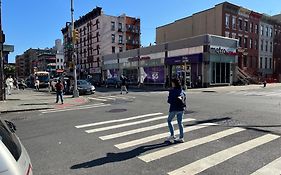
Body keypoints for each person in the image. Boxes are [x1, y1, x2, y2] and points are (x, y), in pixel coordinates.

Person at [165, 78, 186, 143]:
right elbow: (184, 99)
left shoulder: (172, 91)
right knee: (180, 122)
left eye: (172, 83)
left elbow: (169, 101)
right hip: (181, 108)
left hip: (174, 108)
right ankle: (181, 137)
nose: (172, 84)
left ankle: (172, 135)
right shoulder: (182, 91)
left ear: (174, 83)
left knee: (169, 120)